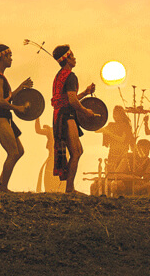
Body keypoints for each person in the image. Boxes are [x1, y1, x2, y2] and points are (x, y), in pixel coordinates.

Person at [0, 44, 32, 192]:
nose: (11, 59)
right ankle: (3, 188)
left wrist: (21, 87)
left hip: (3, 116)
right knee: (13, 152)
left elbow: (5, 98)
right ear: (2, 57)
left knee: (19, 151)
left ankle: (2, 184)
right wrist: (18, 108)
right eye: (9, 56)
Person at [51, 44, 96, 194]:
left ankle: (70, 187)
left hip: (60, 115)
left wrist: (85, 93)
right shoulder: (70, 76)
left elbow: (68, 98)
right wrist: (85, 111)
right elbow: (71, 101)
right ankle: (70, 189)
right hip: (66, 117)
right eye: (72, 56)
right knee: (76, 152)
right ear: (67, 59)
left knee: (78, 151)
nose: (75, 58)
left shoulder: (60, 75)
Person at [98, 106, 134, 174]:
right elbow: (98, 130)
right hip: (112, 154)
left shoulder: (126, 126)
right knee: (110, 175)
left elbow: (122, 140)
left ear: (121, 115)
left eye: (116, 114)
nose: (115, 116)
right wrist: (97, 120)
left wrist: (109, 133)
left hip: (122, 155)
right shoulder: (111, 125)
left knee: (118, 175)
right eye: (114, 114)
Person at [35, 117, 64, 192]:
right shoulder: (50, 130)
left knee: (61, 182)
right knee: (50, 177)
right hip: (52, 159)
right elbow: (38, 130)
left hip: (62, 161)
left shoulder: (65, 131)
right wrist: (37, 117)